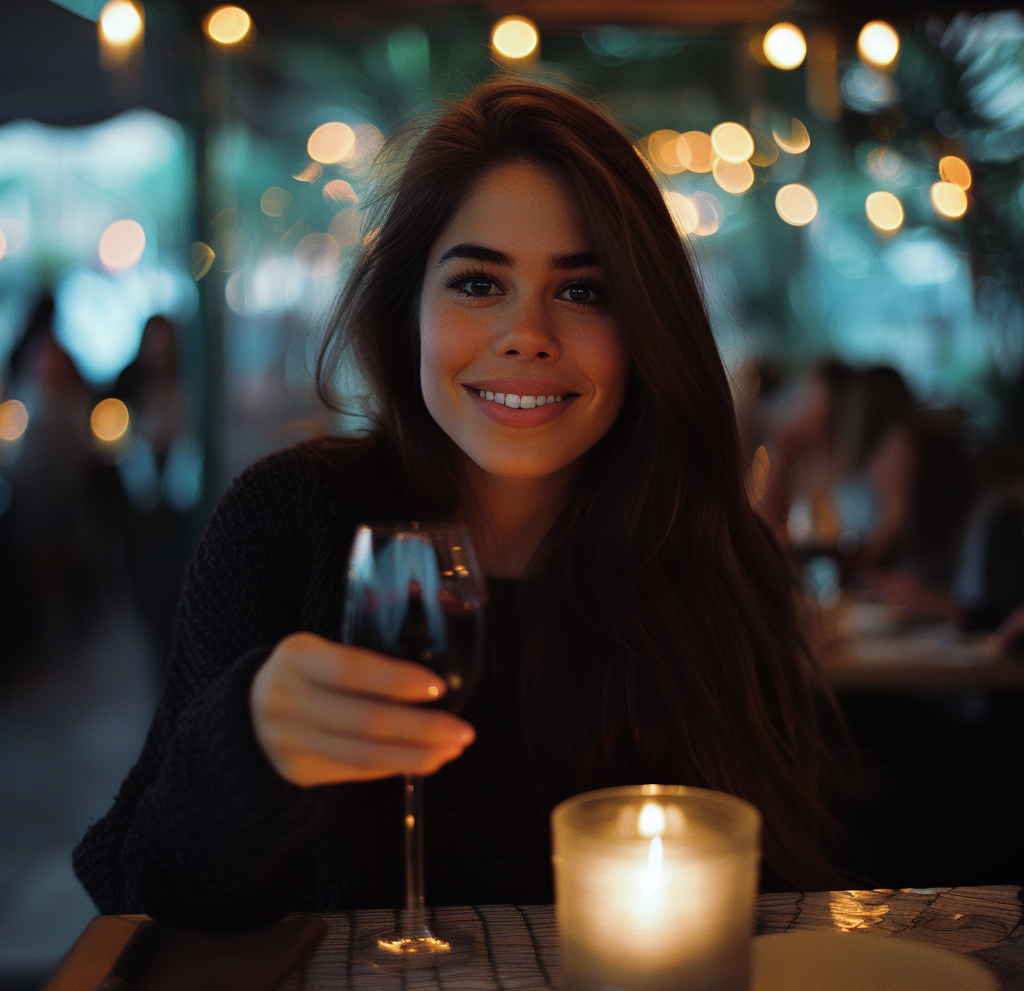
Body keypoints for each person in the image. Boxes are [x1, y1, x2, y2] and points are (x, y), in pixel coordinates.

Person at [73, 78, 846, 932]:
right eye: (479, 284)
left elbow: (781, 905)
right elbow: (134, 891)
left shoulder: (714, 556)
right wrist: (248, 749)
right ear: (408, 313)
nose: (527, 333)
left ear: (645, 329)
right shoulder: (289, 521)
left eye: (584, 291)